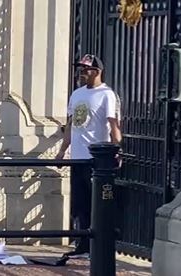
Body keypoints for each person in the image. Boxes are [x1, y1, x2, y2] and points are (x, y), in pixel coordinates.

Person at [56, 54, 122, 255]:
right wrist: (62, 150)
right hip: (77, 156)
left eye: (86, 69)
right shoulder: (76, 94)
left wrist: (117, 149)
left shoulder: (107, 94)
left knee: (96, 203)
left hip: (95, 158)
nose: (82, 72)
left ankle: (98, 246)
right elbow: (70, 125)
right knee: (80, 203)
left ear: (97, 71)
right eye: (80, 69)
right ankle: (82, 243)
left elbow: (113, 124)